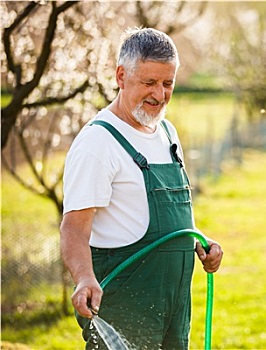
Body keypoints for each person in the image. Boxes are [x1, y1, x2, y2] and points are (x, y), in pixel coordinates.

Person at [60, 27, 223, 349]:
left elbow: (153, 216)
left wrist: (196, 239)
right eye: (149, 83)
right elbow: (74, 228)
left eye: (168, 83)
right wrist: (83, 278)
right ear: (121, 76)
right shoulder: (98, 142)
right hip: (126, 304)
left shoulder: (166, 133)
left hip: (174, 305)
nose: (159, 95)